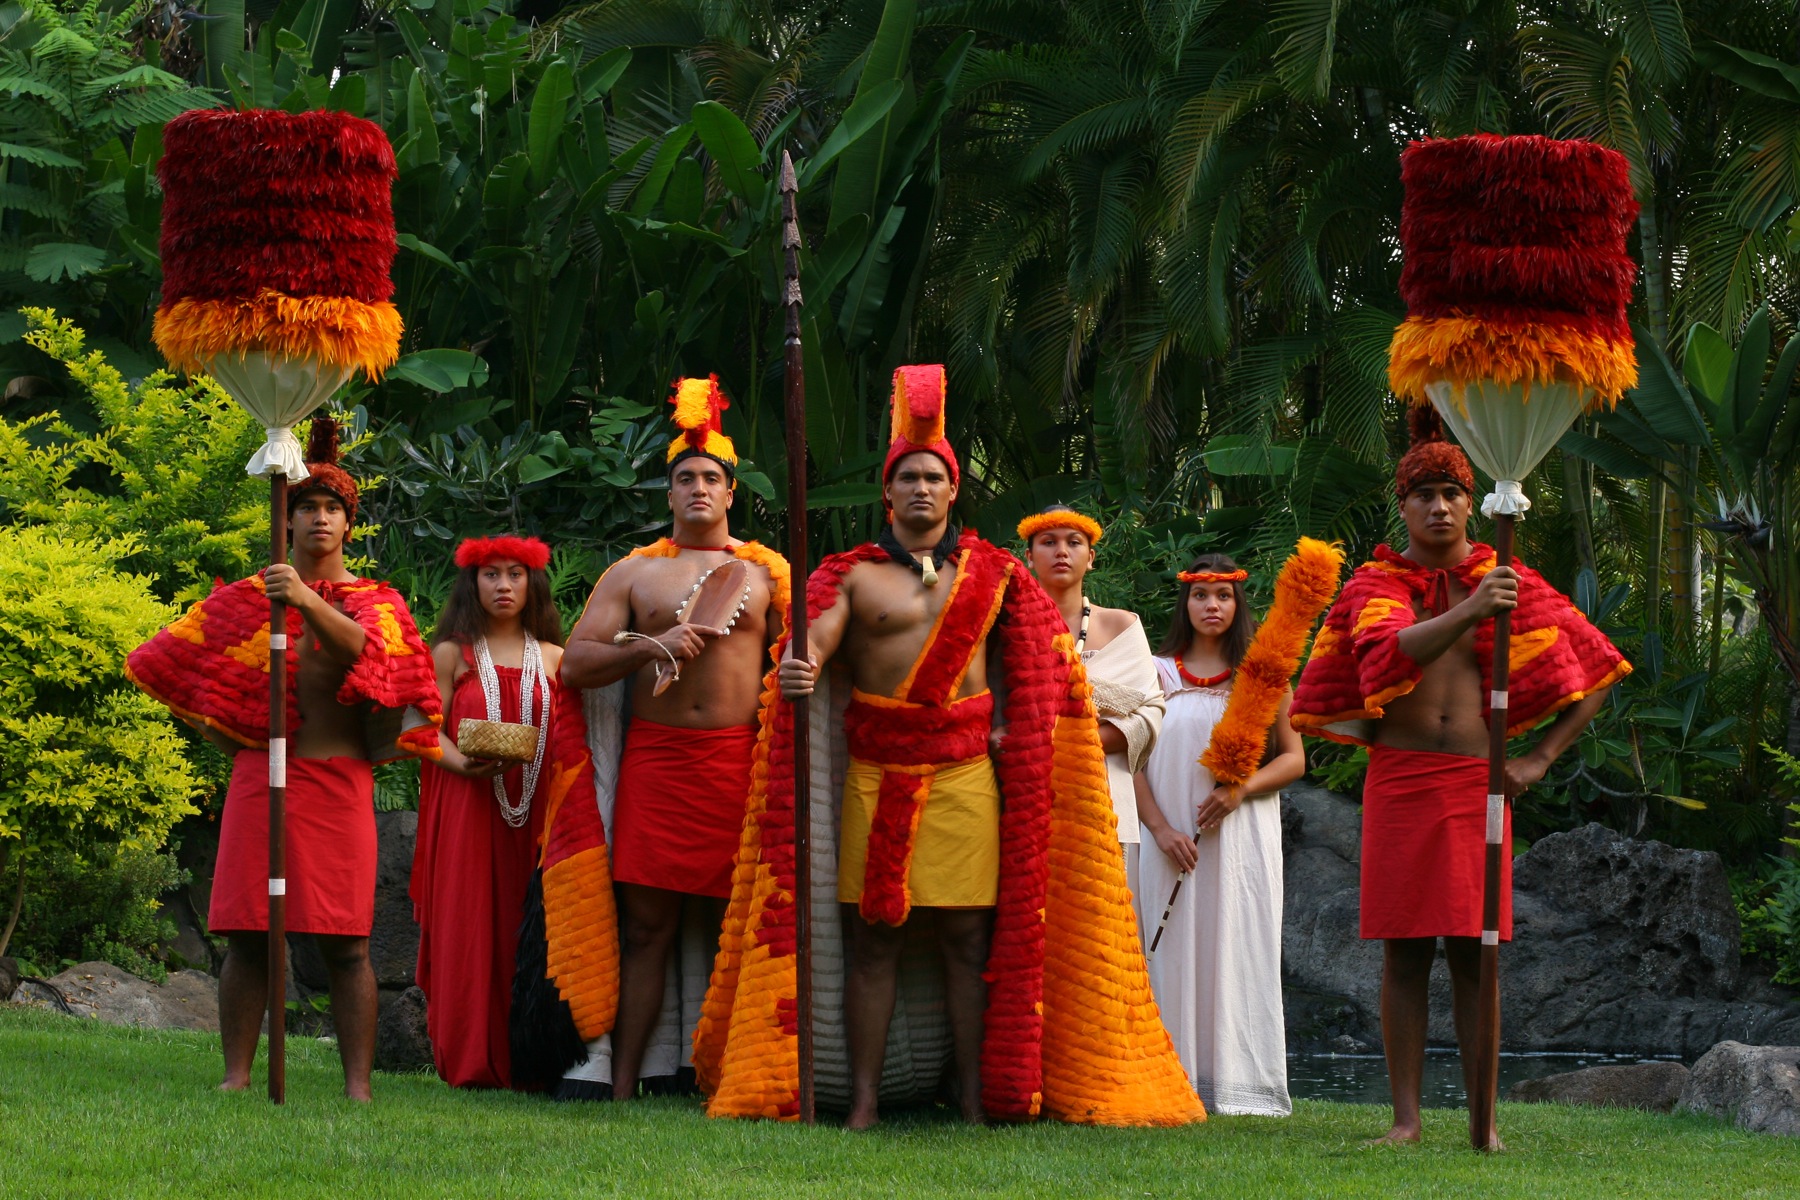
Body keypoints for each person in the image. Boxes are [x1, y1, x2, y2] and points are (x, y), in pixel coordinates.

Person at [696, 364, 1200, 1131]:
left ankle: (973, 1098)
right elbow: (816, 642)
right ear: (888, 494)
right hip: (875, 774)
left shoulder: (996, 576)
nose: (922, 489)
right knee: (874, 941)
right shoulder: (852, 577)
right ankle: (862, 1101)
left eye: (935, 476)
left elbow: (1043, 667)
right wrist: (800, 667)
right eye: (909, 478)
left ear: (953, 489)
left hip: (967, 777)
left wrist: (1022, 729)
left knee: (970, 938)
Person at [1291, 408, 1630, 1148]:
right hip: (1401, 780)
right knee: (1404, 951)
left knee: (1477, 954)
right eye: (1424, 493)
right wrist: (1474, 607)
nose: (1438, 505)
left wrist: (1538, 759)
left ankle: (1486, 1123)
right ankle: (1406, 1120)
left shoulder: (1505, 581)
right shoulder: (1378, 583)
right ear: (1403, 505)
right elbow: (1384, 656)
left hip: (1477, 784)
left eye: (1451, 491)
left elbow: (1600, 667)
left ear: (1470, 501)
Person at [126, 418, 441, 1101]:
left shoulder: (377, 603)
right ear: (288, 521)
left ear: (348, 526)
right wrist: (226, 732)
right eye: (306, 508)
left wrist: (302, 598)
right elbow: (173, 665)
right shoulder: (248, 599)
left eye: (332, 509)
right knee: (246, 936)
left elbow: (382, 662)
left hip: (339, 781)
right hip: (260, 778)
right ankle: (236, 1076)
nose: (319, 518)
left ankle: (357, 1087)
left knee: (347, 942)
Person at [557, 375, 788, 1100]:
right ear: (668, 494)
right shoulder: (634, 573)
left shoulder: (765, 572)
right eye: (684, 477)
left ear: (730, 492)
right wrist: (649, 647)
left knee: (737, 931)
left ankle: (731, 1079)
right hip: (657, 767)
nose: (697, 488)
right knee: (648, 931)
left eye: (710, 478)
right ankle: (622, 1083)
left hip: (735, 766)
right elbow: (576, 664)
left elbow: (794, 666)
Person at [1134, 554, 1306, 1116]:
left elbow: (1295, 760)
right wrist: (1159, 829)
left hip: (1239, 836)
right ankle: (1163, 1075)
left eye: (1224, 596)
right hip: (1166, 835)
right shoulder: (1154, 672)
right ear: (1184, 604)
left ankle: (1236, 1083)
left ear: (1240, 605)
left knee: (1233, 938)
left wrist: (1239, 790)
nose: (1212, 605)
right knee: (1168, 944)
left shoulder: (1264, 678)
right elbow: (1131, 761)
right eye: (1201, 594)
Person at [411, 535, 565, 1089]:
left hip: (538, 811)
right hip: (468, 809)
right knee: (471, 925)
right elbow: (417, 729)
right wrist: (458, 765)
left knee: (528, 926)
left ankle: (531, 1057)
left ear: (533, 584)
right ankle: (472, 1060)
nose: (503, 586)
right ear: (472, 584)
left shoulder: (554, 659)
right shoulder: (453, 653)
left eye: (516, 575)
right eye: (492, 575)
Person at [1018, 506, 1163, 864]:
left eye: (1074, 542)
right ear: (1029, 558)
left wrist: (1062, 741)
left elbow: (1150, 712)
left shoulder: (1121, 626)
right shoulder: (1006, 628)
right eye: (1048, 542)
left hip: (1101, 800)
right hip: (1023, 797)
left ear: (1091, 557)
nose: (1062, 551)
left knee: (1097, 913)